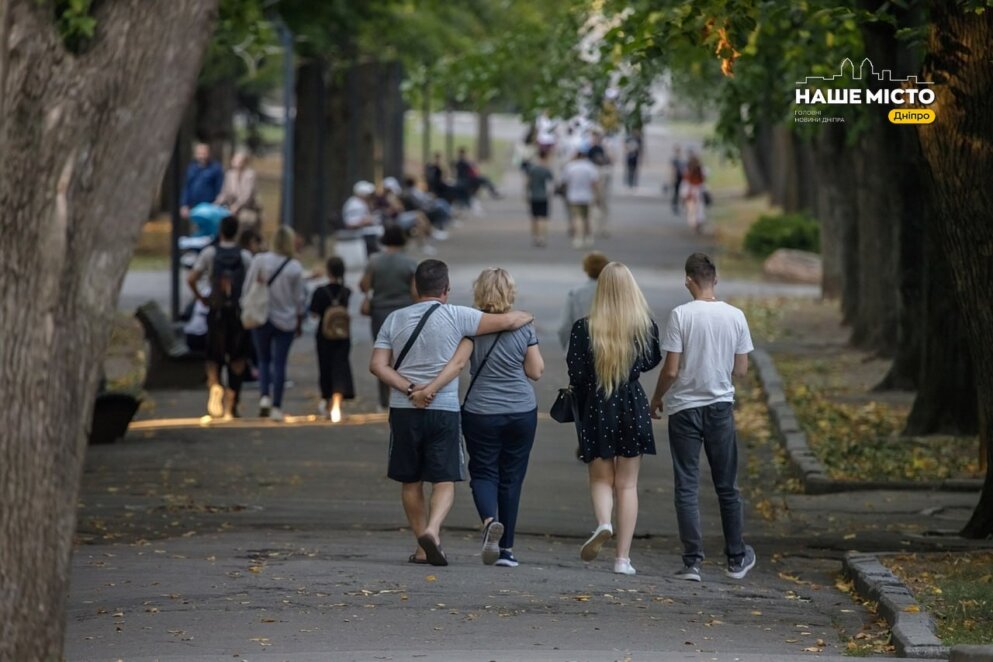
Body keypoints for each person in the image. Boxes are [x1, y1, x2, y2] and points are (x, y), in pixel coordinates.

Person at [368, 259, 533, 567]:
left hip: (404, 409)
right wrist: (527, 315)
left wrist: (409, 390)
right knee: (444, 479)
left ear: (415, 288)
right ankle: (433, 529)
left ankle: (422, 545)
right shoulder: (460, 316)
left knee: (410, 480)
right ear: (446, 290)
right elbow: (510, 322)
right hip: (443, 409)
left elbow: (378, 365)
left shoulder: (394, 318)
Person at [413, 268, 544, 568]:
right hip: (521, 411)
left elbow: (458, 363)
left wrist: (428, 388)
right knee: (512, 478)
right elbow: (535, 372)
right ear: (510, 292)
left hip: (481, 412)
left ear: (478, 292)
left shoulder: (471, 327)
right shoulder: (524, 327)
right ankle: (507, 551)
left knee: (484, 472)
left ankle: (488, 521)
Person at [649, 253, 756, 583]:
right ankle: (736, 557)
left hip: (684, 410)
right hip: (720, 408)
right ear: (716, 279)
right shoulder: (736, 316)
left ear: (687, 281)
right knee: (727, 485)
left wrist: (657, 398)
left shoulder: (680, 315)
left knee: (687, 484)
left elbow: (670, 369)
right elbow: (741, 369)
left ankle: (692, 561)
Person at [567, 262, 661, 576]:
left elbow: (578, 375)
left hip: (597, 405)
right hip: (632, 404)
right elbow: (652, 360)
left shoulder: (584, 328)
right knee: (628, 484)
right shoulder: (644, 327)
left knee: (600, 479)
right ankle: (623, 559)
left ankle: (604, 523)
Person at [186, 215, 253, 419]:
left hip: (216, 312)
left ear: (221, 231)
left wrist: (201, 297)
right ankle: (231, 404)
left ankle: (215, 386)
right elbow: (251, 284)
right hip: (238, 313)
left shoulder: (210, 253)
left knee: (214, 356)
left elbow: (191, 278)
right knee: (237, 358)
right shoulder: (245, 256)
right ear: (237, 232)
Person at [243, 226, 306, 422]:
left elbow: (248, 287)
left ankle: (264, 397)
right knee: (280, 362)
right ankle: (277, 406)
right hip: (285, 320)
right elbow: (299, 299)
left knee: (263, 359)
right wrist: (299, 319)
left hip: (261, 317)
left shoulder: (259, 260)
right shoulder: (294, 267)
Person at [360, 224, 418, 410]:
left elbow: (364, 286)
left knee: (382, 357)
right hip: (405, 313)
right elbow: (415, 292)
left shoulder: (375, 261)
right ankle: (404, 392)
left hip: (380, 313)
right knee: (404, 355)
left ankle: (384, 400)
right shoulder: (409, 263)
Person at [309, 256, 355, 420]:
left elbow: (313, 313)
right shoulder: (346, 291)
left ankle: (327, 400)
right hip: (343, 335)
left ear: (327, 271)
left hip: (324, 335)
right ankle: (338, 404)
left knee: (325, 367)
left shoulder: (320, 292)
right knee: (340, 367)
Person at [557, 251, 609, 351]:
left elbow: (564, 327)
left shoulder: (575, 294)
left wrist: (569, 348)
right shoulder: (615, 292)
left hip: (582, 349)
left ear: (586, 269)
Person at [215, 150, 261, 237]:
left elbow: (247, 196)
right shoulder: (229, 175)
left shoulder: (250, 175)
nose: (238, 163)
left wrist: (236, 207)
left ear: (245, 162)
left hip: (247, 208)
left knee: (243, 220)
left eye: (240, 160)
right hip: (231, 208)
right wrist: (216, 203)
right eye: (236, 160)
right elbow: (224, 193)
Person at [560, 150, 600, 249]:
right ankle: (589, 236)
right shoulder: (590, 167)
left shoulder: (570, 167)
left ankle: (578, 237)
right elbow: (595, 183)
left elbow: (564, 182)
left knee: (577, 217)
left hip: (573, 196)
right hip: (587, 196)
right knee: (587, 217)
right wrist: (598, 195)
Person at [180, 143, 224, 221]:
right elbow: (187, 187)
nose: (202, 156)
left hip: (210, 208)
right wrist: (184, 205)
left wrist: (217, 203)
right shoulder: (191, 168)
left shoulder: (215, 168)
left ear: (209, 154)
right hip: (193, 208)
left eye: (204, 153)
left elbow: (220, 188)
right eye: (199, 154)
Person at [342, 181, 382, 258]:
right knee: (377, 232)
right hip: (356, 233)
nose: (370, 196)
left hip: (360, 231)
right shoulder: (355, 204)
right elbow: (350, 223)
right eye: (368, 194)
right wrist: (366, 221)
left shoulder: (360, 203)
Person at [525, 150, 555, 248]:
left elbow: (528, 182)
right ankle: (542, 237)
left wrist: (526, 193)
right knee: (543, 218)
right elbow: (551, 183)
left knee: (534, 218)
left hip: (533, 196)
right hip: (544, 196)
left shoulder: (532, 169)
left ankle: (535, 237)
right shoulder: (546, 170)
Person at [587, 131, 613, 238]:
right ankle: (594, 228)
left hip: (600, 185)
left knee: (601, 207)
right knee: (595, 207)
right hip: (595, 187)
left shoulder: (601, 151)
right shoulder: (590, 152)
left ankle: (601, 228)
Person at [680, 154, 707, 233]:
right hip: (696, 190)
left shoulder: (689, 171)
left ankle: (695, 223)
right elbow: (703, 181)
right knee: (698, 208)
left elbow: (685, 183)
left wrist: (683, 194)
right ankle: (697, 223)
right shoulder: (700, 170)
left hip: (691, 191)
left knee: (692, 209)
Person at [668, 145, 686, 215]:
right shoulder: (674, 159)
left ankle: (679, 205)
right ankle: (675, 205)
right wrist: (671, 178)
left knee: (680, 192)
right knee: (676, 192)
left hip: (681, 177)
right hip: (676, 177)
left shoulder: (682, 159)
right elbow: (672, 169)